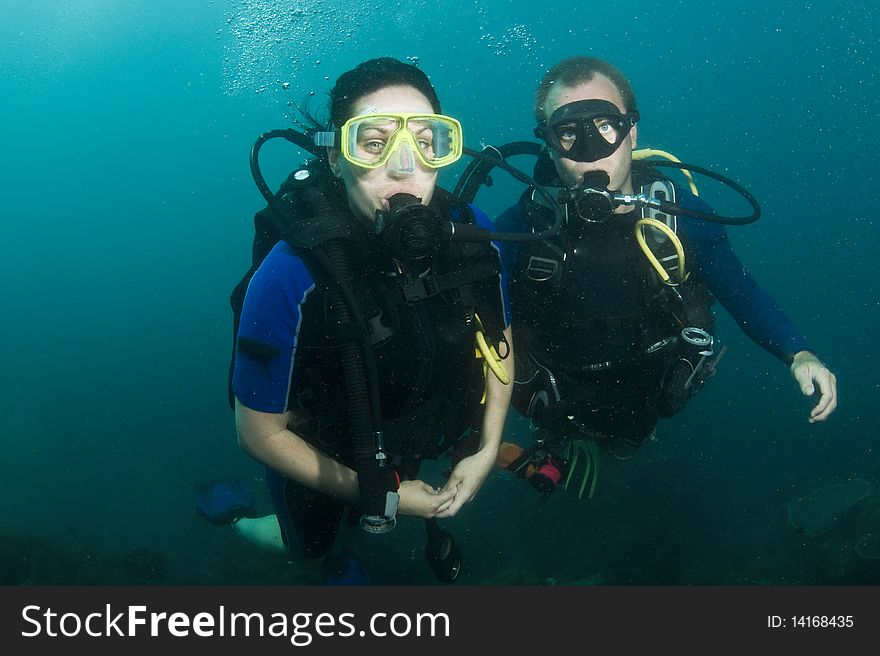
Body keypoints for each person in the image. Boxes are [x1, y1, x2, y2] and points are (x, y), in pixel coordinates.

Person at [200, 57, 514, 584]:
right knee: (309, 546)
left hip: (410, 431)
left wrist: (486, 449)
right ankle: (236, 518)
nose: (403, 166)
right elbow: (257, 434)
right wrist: (382, 493)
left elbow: (500, 342)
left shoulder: (473, 234)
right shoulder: (289, 271)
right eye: (373, 143)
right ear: (335, 156)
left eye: (427, 140)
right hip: (322, 449)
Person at [491, 56, 837, 494]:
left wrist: (797, 352)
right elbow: (478, 327)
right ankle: (571, 442)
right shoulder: (518, 230)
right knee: (579, 436)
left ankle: (620, 444)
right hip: (560, 401)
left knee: (629, 442)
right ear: (548, 144)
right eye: (568, 132)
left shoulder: (681, 216)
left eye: (605, 126)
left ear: (631, 131)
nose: (590, 148)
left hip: (650, 394)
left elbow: (740, 291)